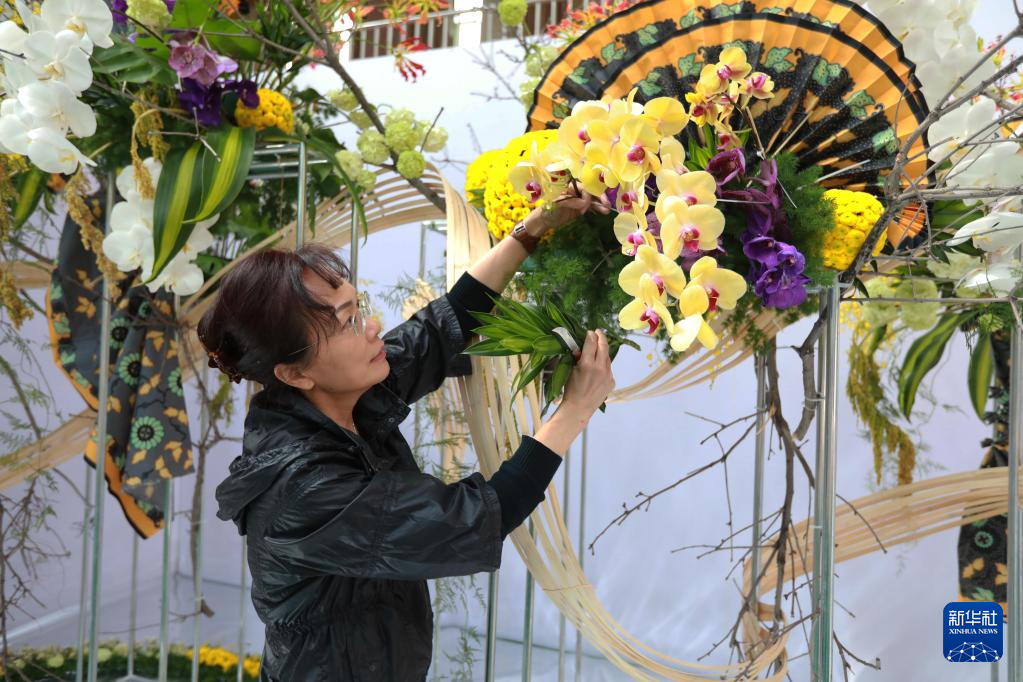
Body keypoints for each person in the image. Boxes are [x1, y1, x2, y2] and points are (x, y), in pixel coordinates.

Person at [200, 183, 614, 681]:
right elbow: (472, 517)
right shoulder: (304, 487)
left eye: (358, 309)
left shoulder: (336, 394)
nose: (372, 327)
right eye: (347, 324)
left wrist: (534, 229)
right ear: (293, 372)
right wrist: (574, 409)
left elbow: (439, 330)